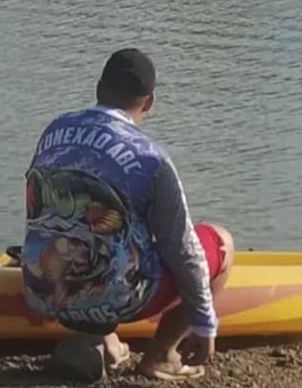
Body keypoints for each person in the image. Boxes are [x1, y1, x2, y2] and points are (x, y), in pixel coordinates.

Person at [21, 48, 234, 381]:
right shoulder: (151, 159)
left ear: (98, 88)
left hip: (41, 290)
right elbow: (183, 250)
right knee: (221, 242)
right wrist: (204, 320)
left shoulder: (54, 131)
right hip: (113, 297)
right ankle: (162, 355)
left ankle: (105, 342)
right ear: (148, 103)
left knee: (88, 227)